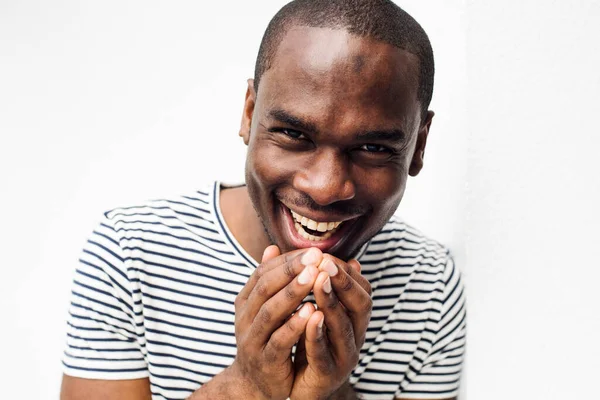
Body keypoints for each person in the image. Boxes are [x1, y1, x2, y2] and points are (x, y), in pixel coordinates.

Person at [60, 0, 466, 399]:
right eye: (294, 135)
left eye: (373, 147)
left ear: (418, 145)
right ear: (250, 114)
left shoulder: (428, 286)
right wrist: (245, 386)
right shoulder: (131, 254)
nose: (325, 187)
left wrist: (334, 393)